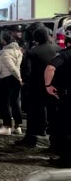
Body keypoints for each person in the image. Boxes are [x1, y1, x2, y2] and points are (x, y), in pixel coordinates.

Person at [15, 28, 61, 147]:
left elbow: (26, 70)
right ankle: (55, 142)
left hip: (36, 87)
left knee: (33, 114)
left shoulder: (32, 52)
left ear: (35, 38)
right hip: (53, 86)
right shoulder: (57, 49)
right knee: (54, 115)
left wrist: (24, 81)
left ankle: (30, 139)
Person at [43, 24, 71, 168]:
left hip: (67, 97)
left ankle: (66, 160)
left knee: (66, 127)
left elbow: (50, 67)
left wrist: (48, 86)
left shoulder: (65, 54)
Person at [0, 32, 24, 136]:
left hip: (8, 78)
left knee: (5, 102)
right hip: (15, 79)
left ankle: (7, 126)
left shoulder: (6, 52)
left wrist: (19, 78)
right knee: (15, 102)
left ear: (4, 40)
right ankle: (18, 126)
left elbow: (12, 68)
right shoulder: (18, 50)